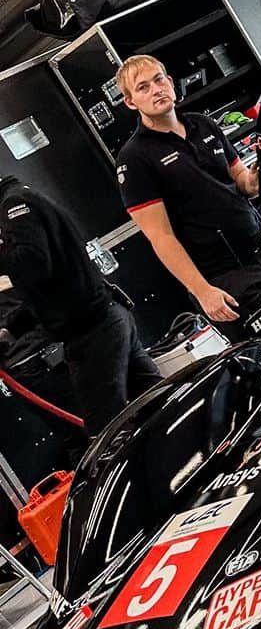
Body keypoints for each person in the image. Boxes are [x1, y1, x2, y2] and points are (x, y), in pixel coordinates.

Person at [115, 53, 261, 342]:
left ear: (171, 83)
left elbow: (241, 181)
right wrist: (202, 291)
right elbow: (161, 237)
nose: (156, 89)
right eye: (143, 87)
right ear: (131, 102)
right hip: (226, 280)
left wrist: (259, 179)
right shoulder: (134, 158)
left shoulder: (203, 125)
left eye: (159, 80)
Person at [0, 176, 161, 437]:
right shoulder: (24, 199)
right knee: (160, 401)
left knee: (107, 434)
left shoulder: (14, 204)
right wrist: (11, 331)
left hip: (94, 332)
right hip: (107, 320)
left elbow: (34, 263)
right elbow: (53, 287)